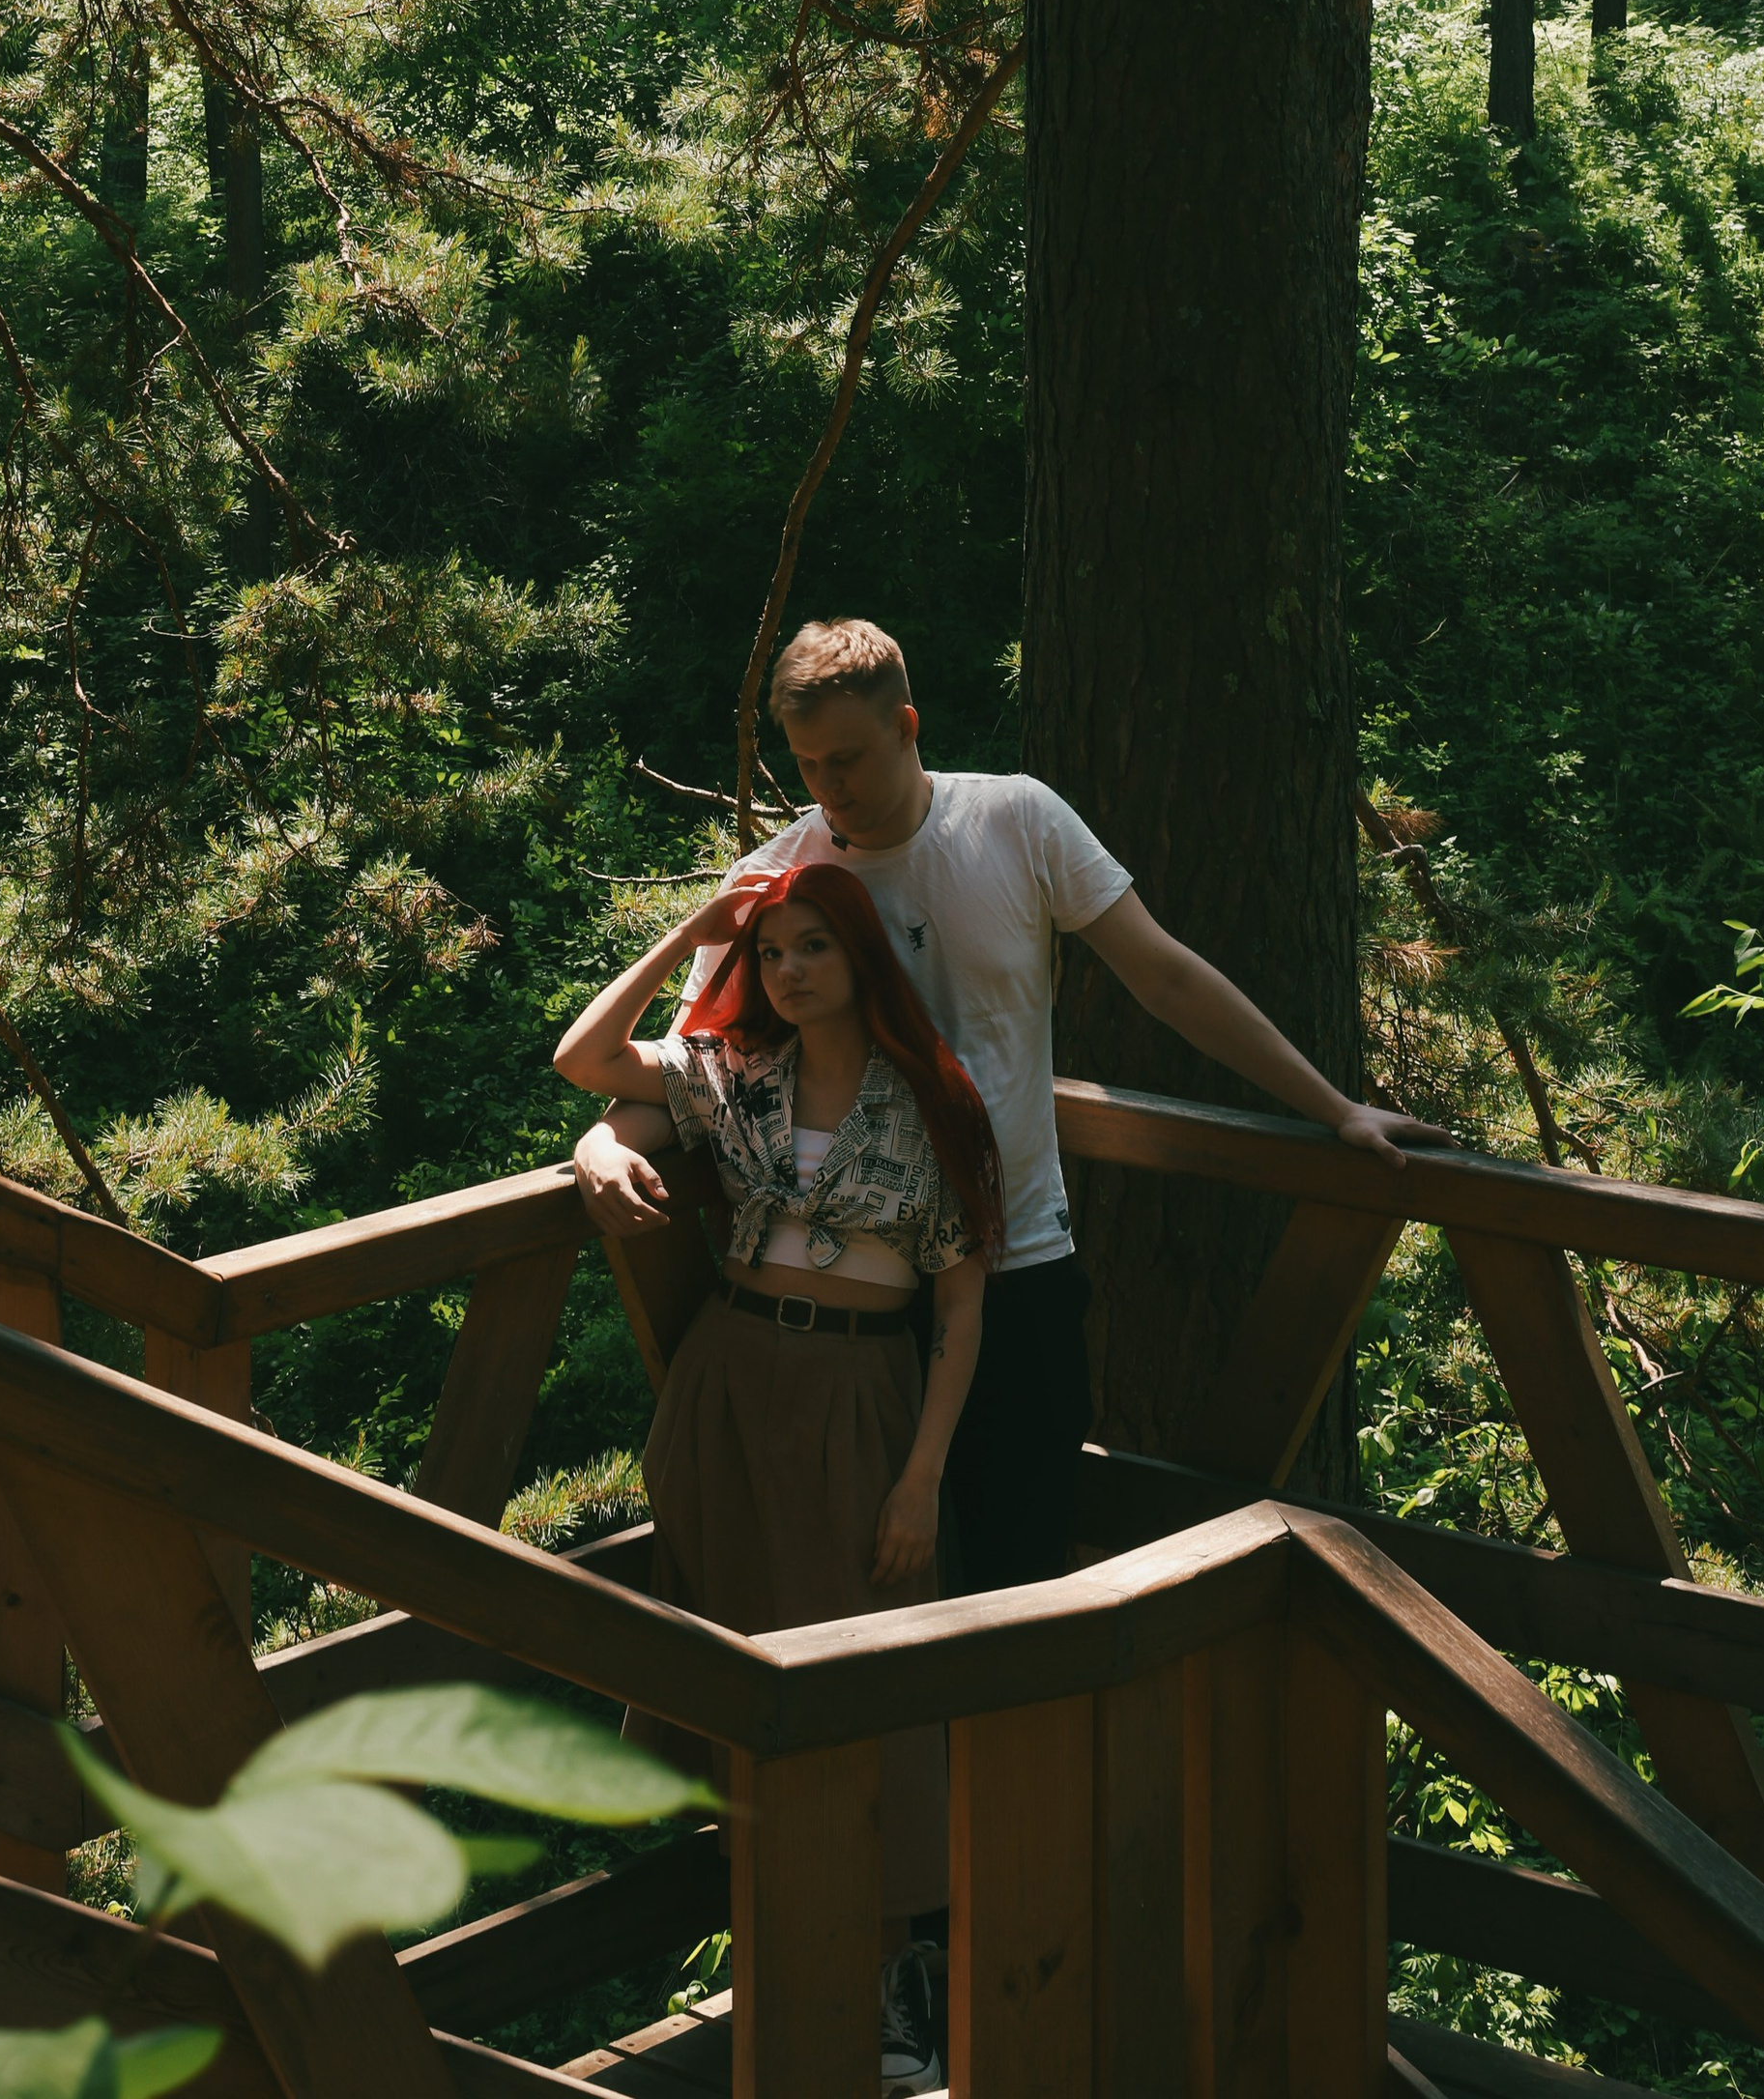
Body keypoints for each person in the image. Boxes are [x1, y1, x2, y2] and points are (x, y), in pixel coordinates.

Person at [575, 615, 1448, 1595]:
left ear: (908, 724)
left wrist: (1334, 1108)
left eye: (851, 758)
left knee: (1013, 1578)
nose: (831, 788)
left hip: (1013, 1267)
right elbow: (701, 1070)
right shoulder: (776, 888)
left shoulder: (1015, 822)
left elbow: (1163, 977)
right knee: (847, 1599)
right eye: (809, 764)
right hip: (846, 1313)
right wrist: (601, 1143)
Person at [554, 851, 1000, 2092]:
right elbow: (587, 1061)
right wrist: (689, 933)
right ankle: (793, 1968)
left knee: (875, 1674)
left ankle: (893, 1981)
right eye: (771, 952)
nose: (790, 970)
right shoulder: (735, 1075)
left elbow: (961, 1315)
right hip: (731, 1389)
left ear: (861, 958)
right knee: (740, 1660)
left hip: (864, 1397)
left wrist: (919, 1480)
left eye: (813, 945)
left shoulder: (935, 1102)